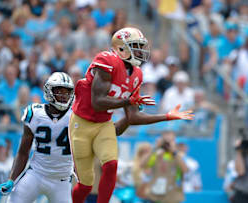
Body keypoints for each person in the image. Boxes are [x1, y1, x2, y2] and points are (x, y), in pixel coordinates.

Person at [69, 27, 194, 203]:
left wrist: (167, 116)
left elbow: (132, 118)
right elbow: (97, 103)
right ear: (120, 47)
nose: (139, 51)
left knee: (111, 165)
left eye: (140, 47)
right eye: (135, 46)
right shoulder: (107, 61)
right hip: (82, 122)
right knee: (85, 185)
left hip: (104, 122)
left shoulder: (137, 74)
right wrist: (128, 102)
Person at [0, 72, 131, 202]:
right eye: (59, 91)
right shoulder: (35, 114)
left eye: (67, 92)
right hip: (36, 174)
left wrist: (129, 117)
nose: (63, 95)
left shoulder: (79, 114)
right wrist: (11, 179)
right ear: (49, 91)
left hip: (62, 181)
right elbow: (23, 152)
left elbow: (112, 130)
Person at [141, 131, 188, 203]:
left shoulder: (179, 156)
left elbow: (185, 170)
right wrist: (155, 148)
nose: (167, 144)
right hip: (155, 196)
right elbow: (143, 165)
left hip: (172, 197)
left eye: (170, 141)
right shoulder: (156, 154)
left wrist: (174, 152)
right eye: (165, 141)